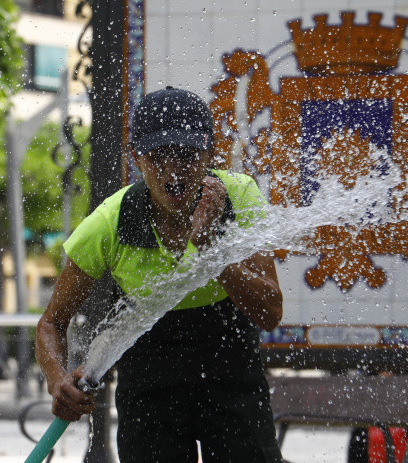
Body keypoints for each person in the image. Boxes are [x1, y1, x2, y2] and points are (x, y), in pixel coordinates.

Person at [35, 86, 284, 462]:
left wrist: (213, 252)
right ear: (137, 158)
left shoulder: (239, 197)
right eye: (158, 157)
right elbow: (52, 322)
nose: (173, 172)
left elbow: (270, 313)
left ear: (210, 155)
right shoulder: (111, 222)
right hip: (150, 385)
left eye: (186, 155)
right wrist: (57, 380)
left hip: (231, 374)